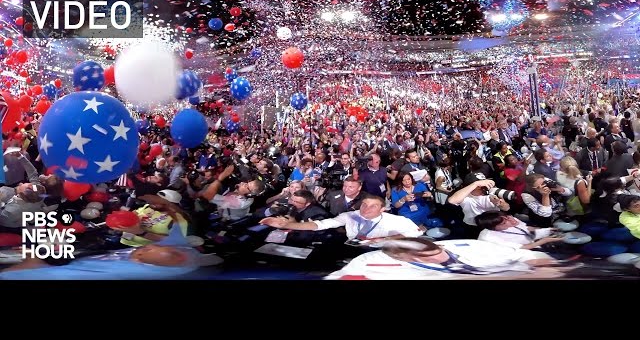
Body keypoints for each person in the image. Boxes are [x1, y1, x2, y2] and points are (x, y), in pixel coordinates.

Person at [0, 225, 222, 280]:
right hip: (81, 255)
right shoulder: (177, 244)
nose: (146, 249)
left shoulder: (180, 259)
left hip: (62, 265)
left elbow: (174, 257)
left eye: (146, 251)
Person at [324, 237, 564, 280]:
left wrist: (541, 266)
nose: (436, 259)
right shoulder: (376, 264)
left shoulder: (471, 245)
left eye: (436, 253)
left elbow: (526, 255)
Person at [260, 194, 422, 243]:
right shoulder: (349, 216)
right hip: (351, 252)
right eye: (364, 204)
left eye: (372, 206)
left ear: (382, 209)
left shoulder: (397, 221)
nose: (366, 209)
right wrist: (285, 224)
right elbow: (320, 225)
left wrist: (384, 239)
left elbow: (418, 231)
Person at [475, 211, 565, 251]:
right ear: (494, 228)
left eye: (507, 217)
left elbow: (526, 229)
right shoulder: (488, 238)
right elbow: (522, 248)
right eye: (504, 222)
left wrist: (548, 230)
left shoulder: (509, 219)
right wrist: (545, 240)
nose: (510, 220)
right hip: (522, 252)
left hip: (534, 242)